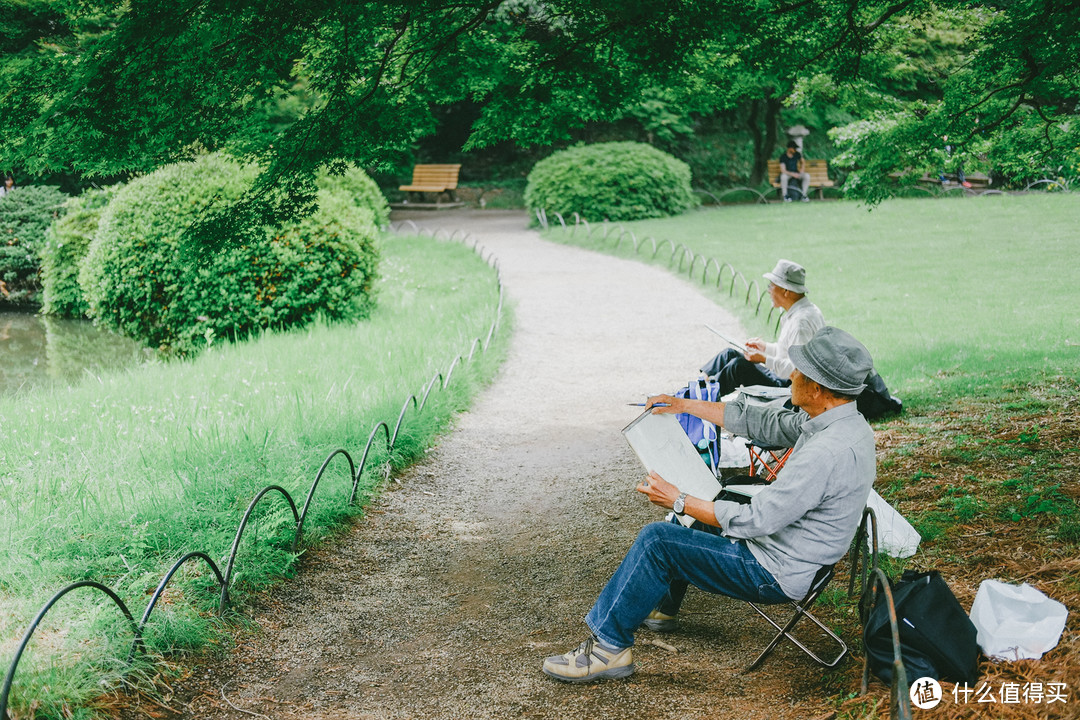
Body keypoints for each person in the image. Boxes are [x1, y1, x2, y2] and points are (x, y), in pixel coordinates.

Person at [541, 327, 876, 683]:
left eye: (798, 370)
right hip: (797, 555)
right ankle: (660, 606)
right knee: (704, 508)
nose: (790, 374)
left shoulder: (826, 452)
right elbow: (766, 422)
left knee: (658, 540)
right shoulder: (843, 425)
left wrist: (679, 500)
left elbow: (756, 520)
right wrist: (684, 405)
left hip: (774, 571)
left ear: (818, 388)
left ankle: (608, 649)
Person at [699, 259, 824, 396]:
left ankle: (700, 398)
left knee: (739, 366)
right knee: (729, 353)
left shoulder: (801, 323)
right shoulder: (801, 312)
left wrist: (764, 359)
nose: (769, 291)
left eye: (771, 286)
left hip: (788, 388)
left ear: (786, 291)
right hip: (782, 377)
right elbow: (789, 351)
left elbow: (798, 370)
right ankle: (699, 386)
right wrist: (764, 347)